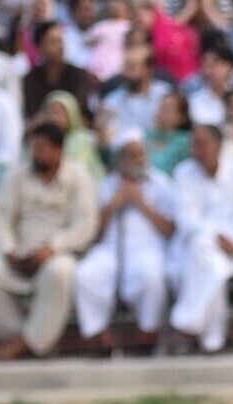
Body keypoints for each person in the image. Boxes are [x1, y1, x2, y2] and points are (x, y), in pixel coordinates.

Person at [0, 121, 98, 359]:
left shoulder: (78, 177)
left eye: (44, 149)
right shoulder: (17, 176)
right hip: (21, 255)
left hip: (60, 254)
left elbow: (85, 225)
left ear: (60, 150)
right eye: (34, 148)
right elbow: (1, 217)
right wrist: (9, 250)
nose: (38, 154)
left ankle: (28, 344)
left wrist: (54, 247)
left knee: (60, 272)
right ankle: (20, 337)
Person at [74, 132, 175, 351]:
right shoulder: (106, 185)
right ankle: (99, 337)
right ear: (120, 159)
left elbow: (170, 229)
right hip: (109, 249)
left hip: (148, 249)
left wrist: (141, 203)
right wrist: (112, 206)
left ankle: (147, 335)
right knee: (86, 274)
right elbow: (96, 234)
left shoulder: (160, 183)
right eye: (132, 155)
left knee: (152, 276)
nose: (138, 159)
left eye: (141, 154)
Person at [166, 121, 233, 355]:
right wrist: (217, 236)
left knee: (210, 263)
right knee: (212, 265)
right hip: (194, 247)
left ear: (218, 146)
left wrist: (230, 240)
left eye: (202, 144)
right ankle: (211, 341)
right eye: (194, 145)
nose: (196, 150)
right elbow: (186, 220)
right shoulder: (183, 172)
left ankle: (188, 322)